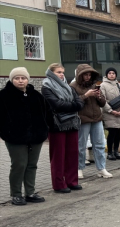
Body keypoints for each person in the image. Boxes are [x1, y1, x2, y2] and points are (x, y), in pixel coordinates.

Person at [0, 68, 49, 205]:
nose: (20, 80)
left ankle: (30, 192)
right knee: (19, 165)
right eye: (17, 78)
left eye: (23, 78)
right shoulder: (3, 96)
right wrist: (6, 132)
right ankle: (16, 194)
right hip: (15, 137)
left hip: (36, 137)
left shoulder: (36, 95)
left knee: (32, 165)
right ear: (11, 79)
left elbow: (46, 113)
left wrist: (44, 129)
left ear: (28, 79)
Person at [42, 63, 85, 193]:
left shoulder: (68, 87)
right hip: (56, 125)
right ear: (51, 73)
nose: (61, 75)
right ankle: (59, 184)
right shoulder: (46, 87)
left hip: (72, 123)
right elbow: (56, 105)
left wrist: (71, 105)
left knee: (72, 154)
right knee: (58, 156)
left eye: (62, 72)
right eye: (58, 72)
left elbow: (80, 103)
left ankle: (72, 181)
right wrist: (72, 105)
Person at [71, 64, 112, 179]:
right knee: (81, 145)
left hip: (97, 119)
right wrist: (85, 95)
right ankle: (79, 168)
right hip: (83, 119)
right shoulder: (73, 86)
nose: (88, 77)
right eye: (85, 75)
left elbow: (103, 103)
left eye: (89, 75)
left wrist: (99, 96)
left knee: (99, 144)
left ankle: (101, 168)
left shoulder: (94, 85)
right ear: (79, 75)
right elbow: (73, 103)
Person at [100, 67, 120, 161]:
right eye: (110, 73)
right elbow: (102, 100)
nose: (112, 74)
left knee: (118, 133)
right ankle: (110, 153)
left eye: (113, 73)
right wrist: (111, 111)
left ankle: (116, 151)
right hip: (109, 113)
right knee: (111, 133)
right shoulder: (103, 85)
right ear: (106, 75)